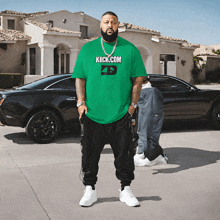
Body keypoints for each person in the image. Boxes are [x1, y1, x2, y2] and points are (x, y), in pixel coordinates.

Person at [71, 11, 147, 207]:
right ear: (101, 25)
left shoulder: (130, 50)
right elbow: (80, 77)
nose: (110, 25)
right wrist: (81, 102)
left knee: (124, 155)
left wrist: (132, 106)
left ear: (118, 25)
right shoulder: (88, 50)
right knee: (89, 155)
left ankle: (125, 190)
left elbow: (137, 80)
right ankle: (90, 190)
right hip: (93, 115)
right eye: (106, 22)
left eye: (113, 22)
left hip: (121, 115)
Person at [134, 76, 168, 166]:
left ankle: (153, 157)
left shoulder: (151, 92)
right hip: (147, 116)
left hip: (151, 116)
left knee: (149, 134)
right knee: (145, 133)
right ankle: (153, 155)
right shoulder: (149, 91)